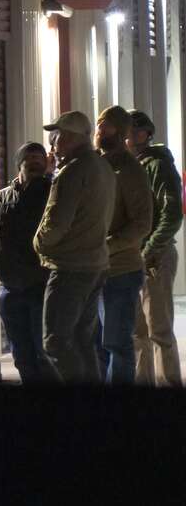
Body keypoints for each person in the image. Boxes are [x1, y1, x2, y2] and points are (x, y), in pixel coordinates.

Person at [33, 111, 116, 383]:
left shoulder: (72, 172)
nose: (53, 143)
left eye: (56, 136)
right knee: (83, 340)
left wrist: (38, 244)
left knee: (56, 341)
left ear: (69, 138)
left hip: (70, 268)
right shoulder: (102, 166)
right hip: (95, 264)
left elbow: (56, 223)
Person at [94, 106, 152, 385]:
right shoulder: (95, 164)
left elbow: (142, 223)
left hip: (120, 271)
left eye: (107, 127)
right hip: (92, 269)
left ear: (122, 132)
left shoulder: (130, 170)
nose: (100, 131)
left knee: (117, 344)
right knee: (97, 346)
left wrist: (107, 246)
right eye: (99, 125)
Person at [0, 142, 52, 384]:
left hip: (43, 286)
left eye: (39, 157)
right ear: (19, 164)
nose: (35, 161)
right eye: (30, 157)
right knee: (21, 354)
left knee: (45, 352)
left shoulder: (54, 194)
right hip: (9, 288)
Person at [126, 109, 184, 387]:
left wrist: (148, 250)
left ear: (148, 134)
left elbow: (172, 214)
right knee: (136, 331)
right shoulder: (125, 166)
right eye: (128, 131)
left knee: (158, 329)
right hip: (128, 257)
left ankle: (169, 385)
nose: (132, 137)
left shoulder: (158, 165)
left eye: (138, 131)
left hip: (154, 256)